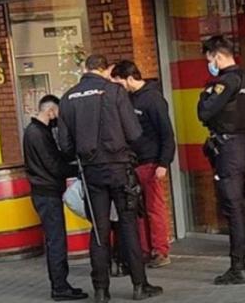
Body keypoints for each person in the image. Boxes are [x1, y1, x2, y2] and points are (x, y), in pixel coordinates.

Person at [58, 54, 163, 302]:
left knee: (99, 231)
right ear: (105, 71)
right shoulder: (115, 92)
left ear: (86, 69)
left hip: (91, 172)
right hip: (119, 169)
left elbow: (64, 145)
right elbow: (135, 132)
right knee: (128, 227)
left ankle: (101, 291)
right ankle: (139, 285)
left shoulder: (68, 98)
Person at [197, 35, 245, 285]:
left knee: (234, 208)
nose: (209, 63)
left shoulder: (224, 82)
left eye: (209, 58)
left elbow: (205, 112)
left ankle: (237, 267)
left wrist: (204, 95)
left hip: (229, 149)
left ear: (216, 56)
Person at [110, 59, 177, 268]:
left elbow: (167, 134)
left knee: (154, 208)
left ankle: (160, 251)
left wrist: (163, 163)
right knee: (139, 210)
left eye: (120, 82)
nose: (119, 88)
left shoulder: (153, 99)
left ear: (130, 78)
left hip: (151, 162)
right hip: (134, 163)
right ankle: (145, 249)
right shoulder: (130, 99)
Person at [23, 94, 87, 301]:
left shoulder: (37, 131)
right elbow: (52, 164)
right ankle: (59, 287)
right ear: (50, 111)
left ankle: (62, 284)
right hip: (46, 193)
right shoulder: (37, 134)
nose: (58, 120)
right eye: (57, 114)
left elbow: (56, 158)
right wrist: (74, 169)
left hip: (45, 191)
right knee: (56, 241)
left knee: (56, 239)